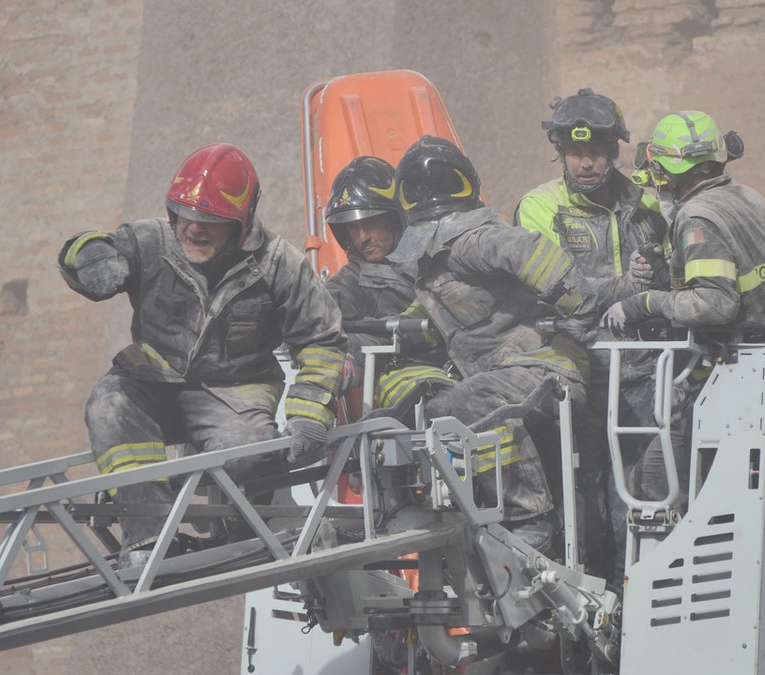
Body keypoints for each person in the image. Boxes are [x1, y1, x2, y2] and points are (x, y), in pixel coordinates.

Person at [58, 143, 347, 566]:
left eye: (210, 220)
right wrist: (88, 258)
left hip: (236, 390)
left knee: (252, 452)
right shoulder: (148, 241)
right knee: (109, 405)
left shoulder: (277, 264)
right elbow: (86, 248)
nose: (193, 229)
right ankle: (147, 538)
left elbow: (322, 339)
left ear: (241, 224)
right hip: (154, 381)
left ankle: (244, 526)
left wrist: (309, 415)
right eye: (185, 215)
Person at [604, 111, 765, 500]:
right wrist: (658, 271)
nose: (656, 185)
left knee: (664, 490)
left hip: (723, 385)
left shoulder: (701, 217)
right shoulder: (760, 205)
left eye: (658, 173)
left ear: (670, 170)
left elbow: (714, 304)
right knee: (751, 499)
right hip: (764, 385)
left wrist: (644, 301)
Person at [388, 135, 604, 553]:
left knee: (471, 401)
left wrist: (578, 303)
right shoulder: (436, 260)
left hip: (548, 369)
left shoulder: (472, 240)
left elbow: (531, 250)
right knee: (437, 409)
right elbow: (446, 310)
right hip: (510, 376)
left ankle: (530, 516)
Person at [514, 88, 669, 587]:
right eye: (575, 153)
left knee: (644, 493)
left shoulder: (647, 206)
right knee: (580, 495)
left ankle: (635, 596)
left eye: (596, 152)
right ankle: (588, 600)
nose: (586, 163)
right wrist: (623, 287)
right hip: (575, 372)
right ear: (560, 152)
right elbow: (553, 292)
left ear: (614, 152)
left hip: (644, 373)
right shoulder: (539, 207)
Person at [322, 156, 455, 415]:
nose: (363, 237)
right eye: (353, 227)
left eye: (371, 222)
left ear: (395, 217)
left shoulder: (436, 256)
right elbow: (316, 319)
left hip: (468, 362)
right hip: (409, 376)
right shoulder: (348, 285)